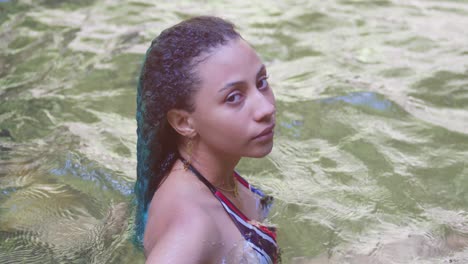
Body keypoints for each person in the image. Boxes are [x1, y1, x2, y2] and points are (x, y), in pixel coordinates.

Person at [134, 16, 279, 264]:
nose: (265, 108)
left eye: (261, 82)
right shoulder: (192, 226)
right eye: (234, 97)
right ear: (184, 122)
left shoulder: (213, 176)